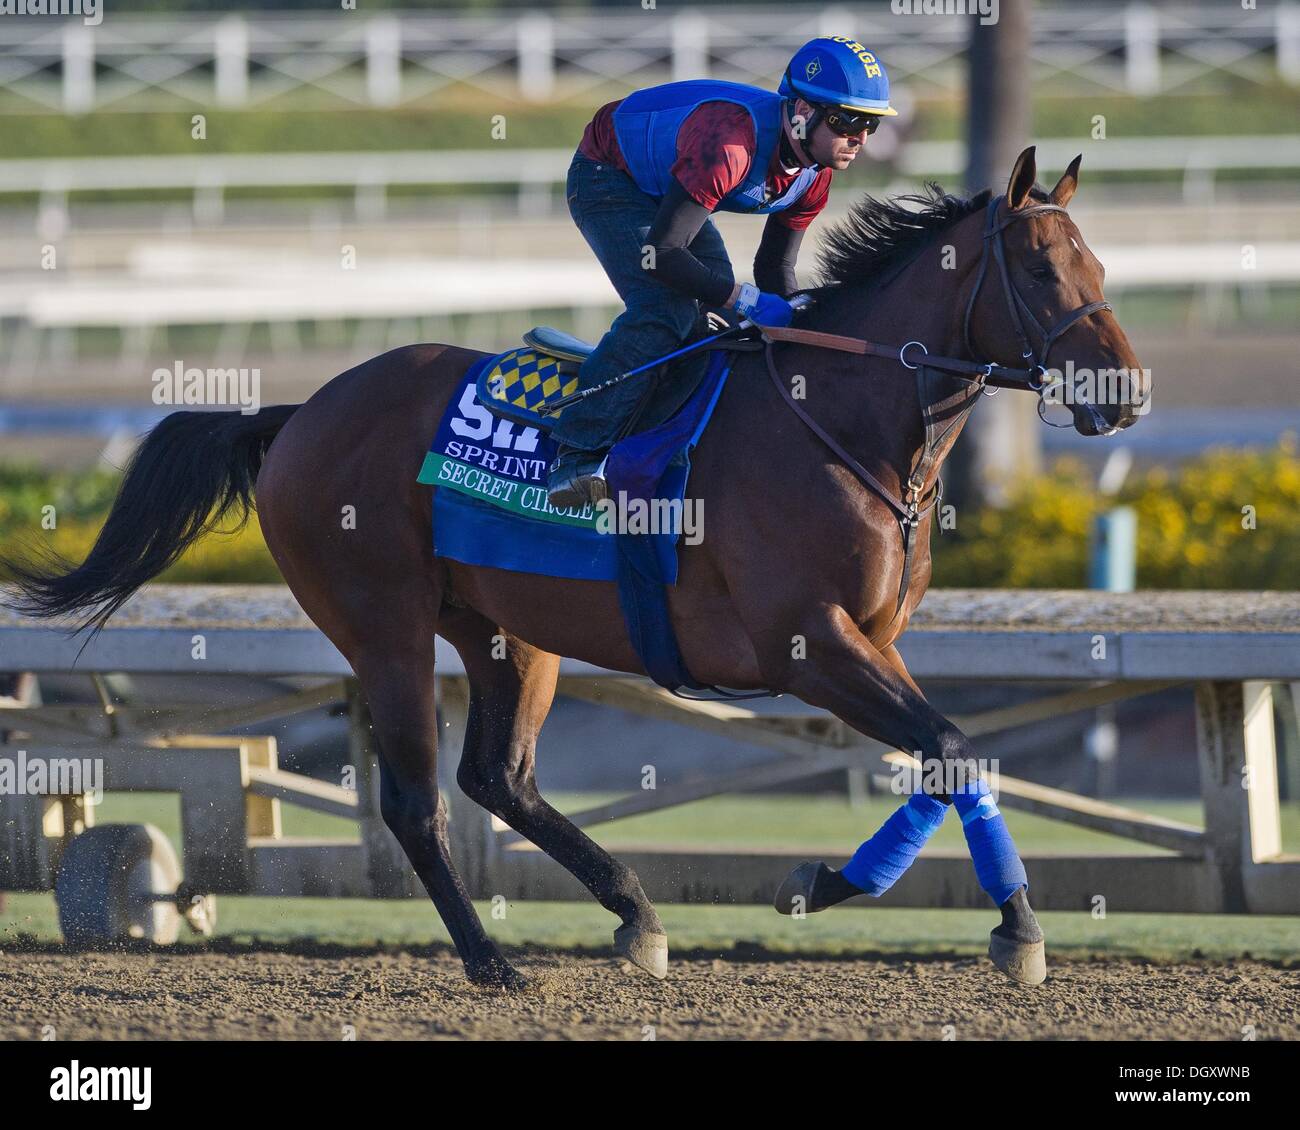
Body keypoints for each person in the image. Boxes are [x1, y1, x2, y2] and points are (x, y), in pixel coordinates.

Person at [546, 36, 898, 508]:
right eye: (846, 121)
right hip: (609, 176)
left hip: (673, 188)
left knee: (724, 323)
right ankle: (576, 453)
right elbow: (664, 254)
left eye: (870, 124)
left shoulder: (816, 177)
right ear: (799, 111)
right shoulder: (729, 146)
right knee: (665, 311)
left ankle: (676, 438)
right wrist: (745, 299)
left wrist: (794, 312)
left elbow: (775, 267)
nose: (860, 139)